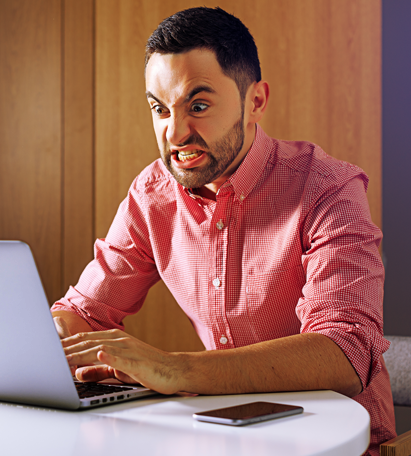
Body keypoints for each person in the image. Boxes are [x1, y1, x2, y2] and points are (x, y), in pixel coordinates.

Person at [50, 6, 395, 455]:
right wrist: (48, 338)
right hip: (226, 436)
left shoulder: (328, 188)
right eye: (159, 109)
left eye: (198, 105)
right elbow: (86, 314)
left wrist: (176, 370)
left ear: (255, 100)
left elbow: (345, 351)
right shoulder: (153, 193)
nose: (174, 133)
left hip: (337, 441)